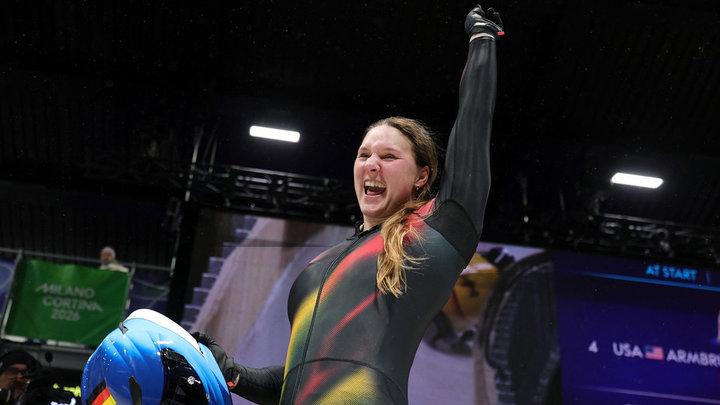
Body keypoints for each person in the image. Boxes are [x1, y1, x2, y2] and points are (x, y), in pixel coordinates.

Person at [194, 5, 503, 404]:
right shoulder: (314, 270)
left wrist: (482, 40)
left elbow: (474, 126)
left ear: (422, 176)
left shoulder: (433, 235)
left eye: (389, 157)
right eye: (363, 155)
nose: (372, 164)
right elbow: (302, 380)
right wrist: (230, 372)